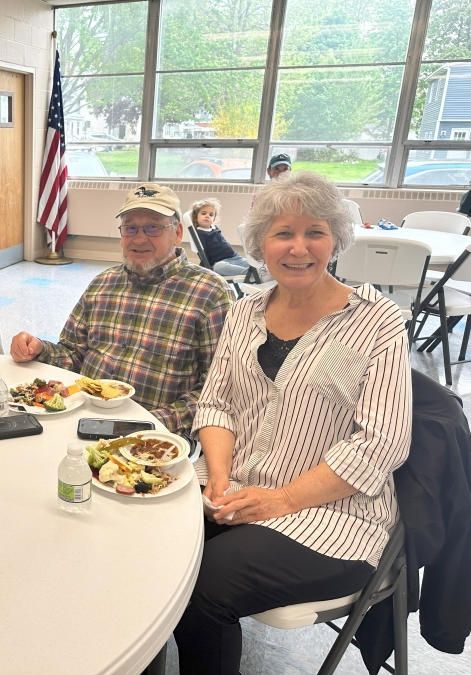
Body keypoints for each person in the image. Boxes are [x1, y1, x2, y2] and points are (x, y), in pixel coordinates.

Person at [173, 171, 412, 675]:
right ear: (261, 242)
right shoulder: (244, 312)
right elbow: (216, 404)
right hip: (234, 486)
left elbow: (382, 444)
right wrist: (218, 478)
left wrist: (279, 500)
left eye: (315, 232)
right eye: (283, 233)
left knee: (202, 584)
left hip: (333, 516)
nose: (299, 248)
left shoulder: (379, 323)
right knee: (143, 539)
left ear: (336, 238)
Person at [10, 184, 233, 435]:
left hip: (153, 437)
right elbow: (73, 354)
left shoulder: (211, 293)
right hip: (81, 420)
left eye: (153, 227)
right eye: (130, 228)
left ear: (177, 232)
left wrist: (144, 422)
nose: (139, 238)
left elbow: (219, 388)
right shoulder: (103, 283)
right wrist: (39, 348)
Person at [190, 198, 250, 276]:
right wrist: (206, 268)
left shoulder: (215, 228)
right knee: (219, 267)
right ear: (196, 217)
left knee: (252, 263)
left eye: (211, 215)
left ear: (214, 218)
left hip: (235, 257)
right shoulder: (200, 233)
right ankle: (250, 275)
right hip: (220, 262)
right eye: (203, 213)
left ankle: (260, 271)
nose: (207, 216)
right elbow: (202, 253)